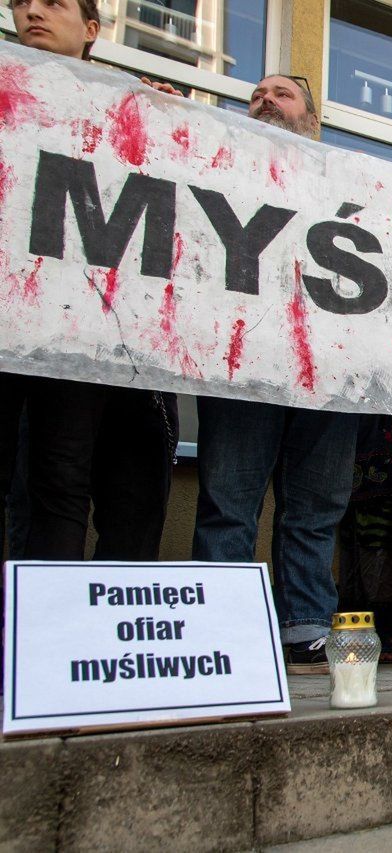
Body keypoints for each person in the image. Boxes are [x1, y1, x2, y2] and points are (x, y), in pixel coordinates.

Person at [191, 75, 362, 674]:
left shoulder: (347, 183)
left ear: (311, 120)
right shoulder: (214, 161)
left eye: (282, 94)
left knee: (316, 506)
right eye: (257, 94)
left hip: (328, 369)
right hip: (242, 360)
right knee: (228, 501)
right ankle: (221, 626)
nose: (266, 100)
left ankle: (305, 627)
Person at [4, 0, 178, 564]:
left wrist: (178, 133)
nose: (33, 11)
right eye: (20, 3)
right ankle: (40, 632)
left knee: (127, 496)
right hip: (27, 333)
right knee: (50, 490)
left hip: (117, 339)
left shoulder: (131, 110)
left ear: (93, 30)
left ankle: (108, 640)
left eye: (53, 3)